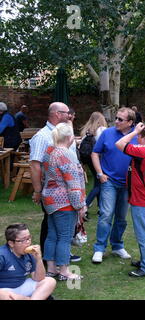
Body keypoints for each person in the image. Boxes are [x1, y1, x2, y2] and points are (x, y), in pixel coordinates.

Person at [29, 102, 81, 262]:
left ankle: (56, 257)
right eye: (67, 113)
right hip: (58, 193)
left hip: (60, 192)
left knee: (57, 229)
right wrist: (37, 190)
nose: (70, 116)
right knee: (52, 228)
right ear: (57, 114)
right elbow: (34, 164)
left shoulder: (62, 133)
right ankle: (49, 259)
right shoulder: (42, 136)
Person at [115, 122, 145, 277]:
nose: (136, 139)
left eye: (139, 136)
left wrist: (134, 131)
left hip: (142, 198)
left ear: (143, 138)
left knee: (144, 233)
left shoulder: (143, 152)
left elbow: (120, 143)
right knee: (144, 231)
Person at [91, 107, 137, 264]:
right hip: (109, 181)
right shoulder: (107, 133)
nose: (116, 121)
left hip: (128, 183)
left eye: (120, 119)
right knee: (106, 214)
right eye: (116, 118)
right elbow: (95, 153)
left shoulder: (136, 136)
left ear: (130, 122)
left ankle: (117, 245)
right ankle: (99, 248)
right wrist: (99, 173)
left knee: (122, 217)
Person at [41, 123, 86, 281]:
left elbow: (44, 176)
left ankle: (51, 269)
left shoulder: (49, 152)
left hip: (49, 200)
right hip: (64, 202)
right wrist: (80, 205)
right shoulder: (66, 154)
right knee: (64, 237)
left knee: (52, 235)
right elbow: (73, 185)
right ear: (69, 137)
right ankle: (64, 271)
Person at [0, 224, 56, 300]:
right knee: (2, 295)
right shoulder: (2, 255)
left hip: (22, 285)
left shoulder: (30, 254)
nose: (28, 243)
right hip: (5, 289)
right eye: (23, 240)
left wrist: (39, 259)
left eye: (29, 238)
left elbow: (39, 278)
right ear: (11, 243)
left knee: (50, 281)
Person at [79, 112, 108, 213]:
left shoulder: (86, 131)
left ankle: (100, 208)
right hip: (98, 159)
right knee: (99, 185)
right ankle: (85, 205)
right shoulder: (102, 130)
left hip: (88, 159)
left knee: (98, 182)